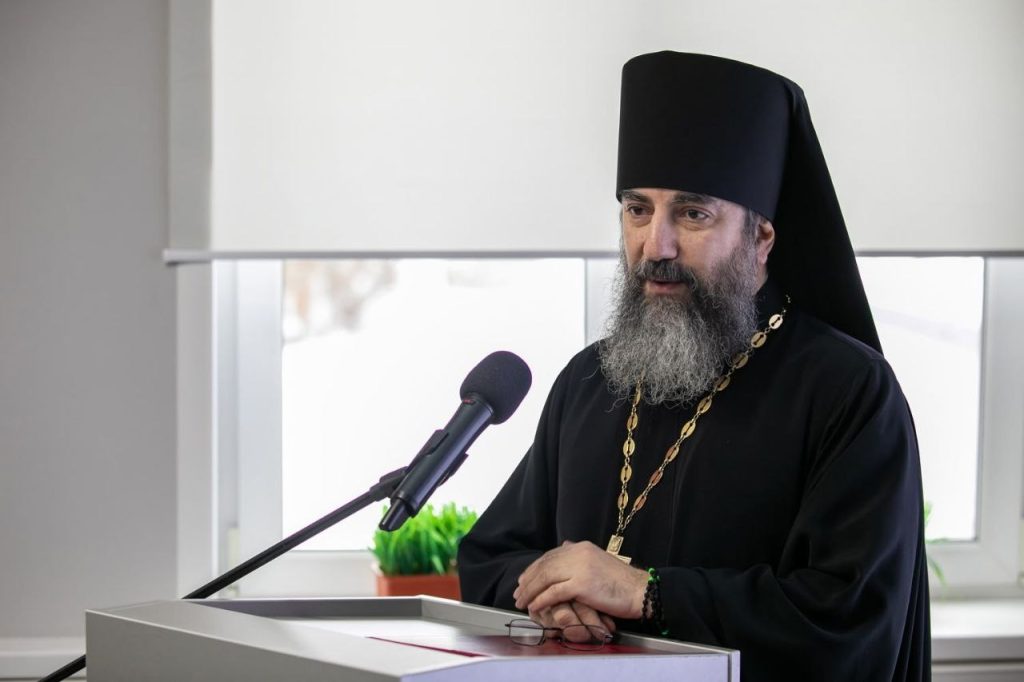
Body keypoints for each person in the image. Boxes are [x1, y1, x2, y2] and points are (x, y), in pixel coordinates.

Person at [457, 51, 931, 681]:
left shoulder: (848, 391)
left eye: (692, 214)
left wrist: (648, 594)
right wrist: (554, 595)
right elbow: (490, 560)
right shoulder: (588, 380)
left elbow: (849, 619)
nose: (656, 245)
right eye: (637, 210)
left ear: (760, 239)